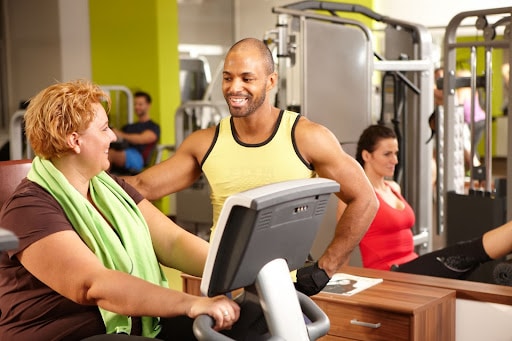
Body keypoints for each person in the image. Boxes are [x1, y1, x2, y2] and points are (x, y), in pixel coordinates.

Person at [126, 37, 379, 296]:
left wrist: (326, 267)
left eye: (247, 79)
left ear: (270, 81)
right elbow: (141, 187)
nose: (235, 88)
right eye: (228, 78)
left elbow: (365, 199)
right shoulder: (205, 142)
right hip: (222, 285)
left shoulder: (306, 136)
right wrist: (88, 174)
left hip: (285, 288)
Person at [0, 80, 241, 340]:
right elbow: (93, 284)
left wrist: (242, 269)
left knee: (248, 320)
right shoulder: (28, 208)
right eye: (104, 129)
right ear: (74, 140)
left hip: (128, 328)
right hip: (66, 334)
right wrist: (190, 303)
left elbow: (172, 242)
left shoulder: (109, 188)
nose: (113, 137)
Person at [340, 124, 512, 279]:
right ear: (366, 155)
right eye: (387, 154)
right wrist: (338, 285)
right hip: (390, 274)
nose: (395, 160)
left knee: (470, 266)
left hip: (412, 266)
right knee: (465, 254)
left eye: (396, 153)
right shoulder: (356, 196)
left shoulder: (393, 188)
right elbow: (342, 245)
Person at [108, 91, 160, 174]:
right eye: (135, 104)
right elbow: (117, 138)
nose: (137, 107)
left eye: (140, 104)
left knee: (110, 155)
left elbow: (141, 139)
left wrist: (121, 134)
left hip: (138, 158)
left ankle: (102, 185)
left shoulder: (153, 126)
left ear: (148, 105)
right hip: (123, 150)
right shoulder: (129, 127)